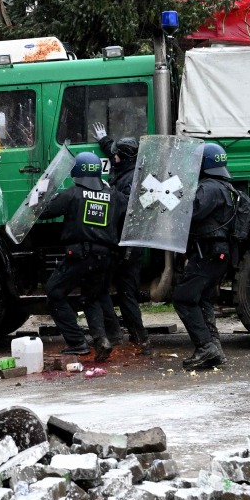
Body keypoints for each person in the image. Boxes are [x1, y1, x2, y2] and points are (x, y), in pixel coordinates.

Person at [39, 152, 126, 362]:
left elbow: (43, 212)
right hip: (105, 258)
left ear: (77, 172)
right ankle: (101, 340)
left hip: (79, 256)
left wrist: (43, 191)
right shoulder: (115, 196)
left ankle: (77, 342)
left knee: (54, 292)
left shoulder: (72, 194)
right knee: (91, 297)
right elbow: (133, 211)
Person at [173, 143, 234, 370]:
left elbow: (190, 212)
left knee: (183, 298)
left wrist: (174, 195)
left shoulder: (209, 188)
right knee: (203, 299)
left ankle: (206, 347)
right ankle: (214, 349)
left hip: (207, 253)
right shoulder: (225, 187)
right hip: (218, 253)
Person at [93, 128, 152, 355]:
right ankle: (130, 336)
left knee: (125, 293)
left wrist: (110, 194)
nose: (113, 157)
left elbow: (129, 210)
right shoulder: (128, 168)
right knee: (117, 291)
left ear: (126, 158)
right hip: (121, 244)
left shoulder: (133, 181)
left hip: (126, 245)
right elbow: (115, 154)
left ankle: (138, 339)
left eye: (117, 155)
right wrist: (106, 141)